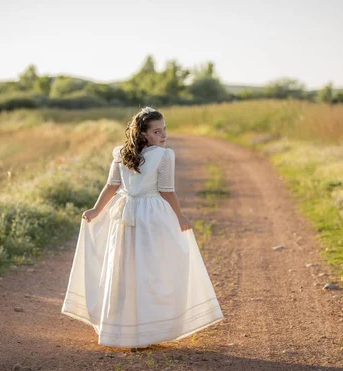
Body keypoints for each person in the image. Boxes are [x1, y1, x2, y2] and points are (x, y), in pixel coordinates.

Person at [61, 106, 224, 349]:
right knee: (138, 268)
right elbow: (126, 186)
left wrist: (179, 216)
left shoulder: (146, 154)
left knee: (138, 269)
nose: (163, 135)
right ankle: (130, 330)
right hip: (142, 215)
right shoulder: (137, 154)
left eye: (164, 130)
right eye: (157, 131)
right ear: (143, 134)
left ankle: (141, 330)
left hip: (134, 214)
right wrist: (96, 210)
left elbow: (130, 188)